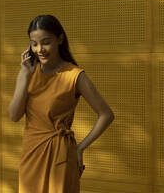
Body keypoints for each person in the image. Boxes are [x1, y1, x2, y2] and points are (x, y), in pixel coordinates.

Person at [8, 14, 115, 193]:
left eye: (46, 42)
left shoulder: (75, 76)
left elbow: (106, 114)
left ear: (60, 39)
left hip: (61, 157)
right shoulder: (27, 73)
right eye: (34, 44)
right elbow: (14, 116)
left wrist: (80, 148)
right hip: (31, 154)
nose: (39, 49)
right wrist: (25, 76)